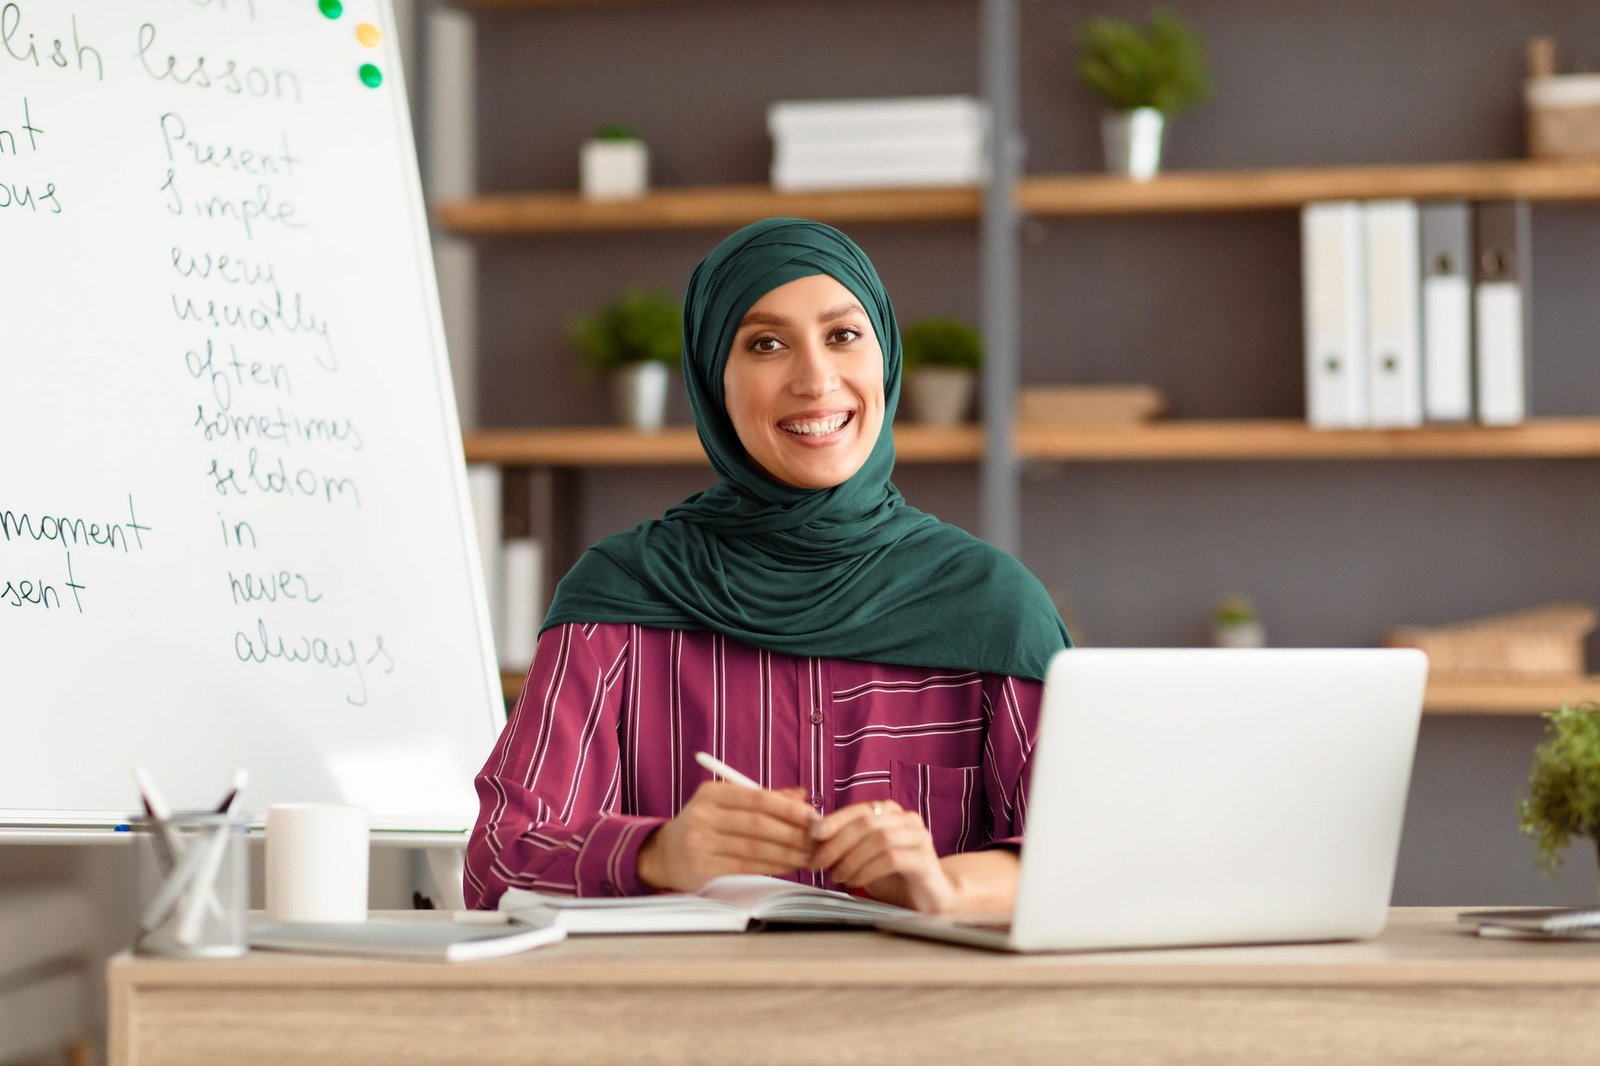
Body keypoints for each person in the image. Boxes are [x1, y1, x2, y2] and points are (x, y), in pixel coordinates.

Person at [466, 218, 1070, 914]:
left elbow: (1092, 862)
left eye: (844, 336)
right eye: (766, 344)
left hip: (927, 1017)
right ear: (712, 381)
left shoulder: (994, 607)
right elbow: (495, 865)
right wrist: (657, 854)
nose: (816, 380)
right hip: (680, 1019)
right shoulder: (620, 598)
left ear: (885, 359)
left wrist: (947, 885)